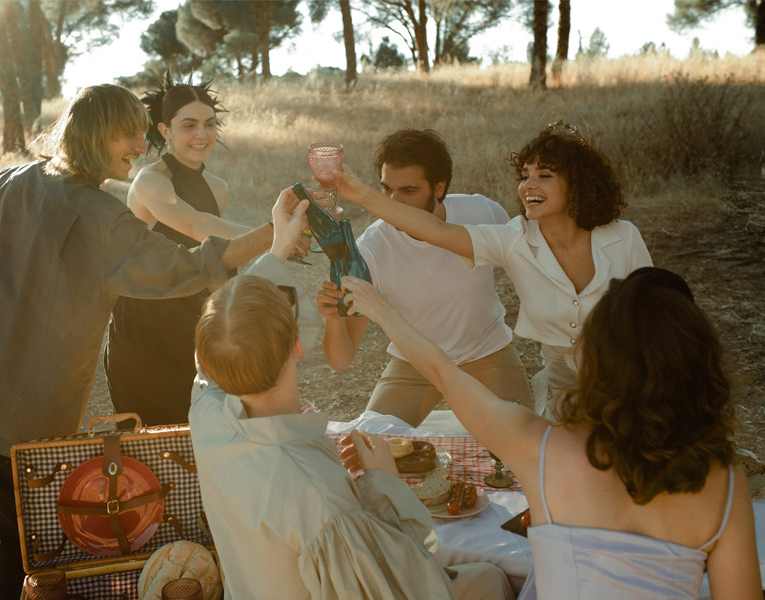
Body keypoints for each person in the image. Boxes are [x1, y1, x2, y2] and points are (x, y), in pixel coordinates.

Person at [0, 83, 307, 600]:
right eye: (130, 135)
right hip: (19, 415)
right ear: (97, 135)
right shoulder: (105, 222)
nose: (142, 148)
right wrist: (272, 235)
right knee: (22, 544)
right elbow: (189, 266)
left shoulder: (15, 179)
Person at [340, 268, 760, 599]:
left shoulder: (540, 448)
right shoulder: (725, 483)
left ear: (597, 364)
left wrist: (382, 310)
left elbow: (442, 373)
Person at [189, 253, 514, 600]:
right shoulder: (321, 499)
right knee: (491, 579)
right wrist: (384, 484)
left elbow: (224, 338)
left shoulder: (205, 412)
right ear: (300, 343)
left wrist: (279, 246)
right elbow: (395, 586)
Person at [333, 122, 653, 417]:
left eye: (544, 176)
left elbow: (657, 319)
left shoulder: (620, 238)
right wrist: (362, 195)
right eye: (525, 176)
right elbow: (438, 232)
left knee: (525, 454)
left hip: (509, 358)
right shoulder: (511, 239)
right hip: (422, 364)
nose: (528, 186)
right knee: (372, 440)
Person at [105, 73, 302, 426]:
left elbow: (219, 261)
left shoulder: (218, 187)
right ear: (164, 130)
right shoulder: (150, 181)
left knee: (203, 435)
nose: (202, 135)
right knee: (150, 446)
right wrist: (275, 233)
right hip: (143, 333)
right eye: (189, 125)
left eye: (210, 124)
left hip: (196, 327)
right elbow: (195, 226)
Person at [317, 129, 532, 427]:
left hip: (487, 354)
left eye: (408, 191)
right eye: (386, 190)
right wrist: (334, 319)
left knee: (519, 444)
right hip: (414, 364)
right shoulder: (371, 248)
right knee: (372, 441)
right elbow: (340, 361)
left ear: (439, 188)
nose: (393, 203)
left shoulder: (482, 212)